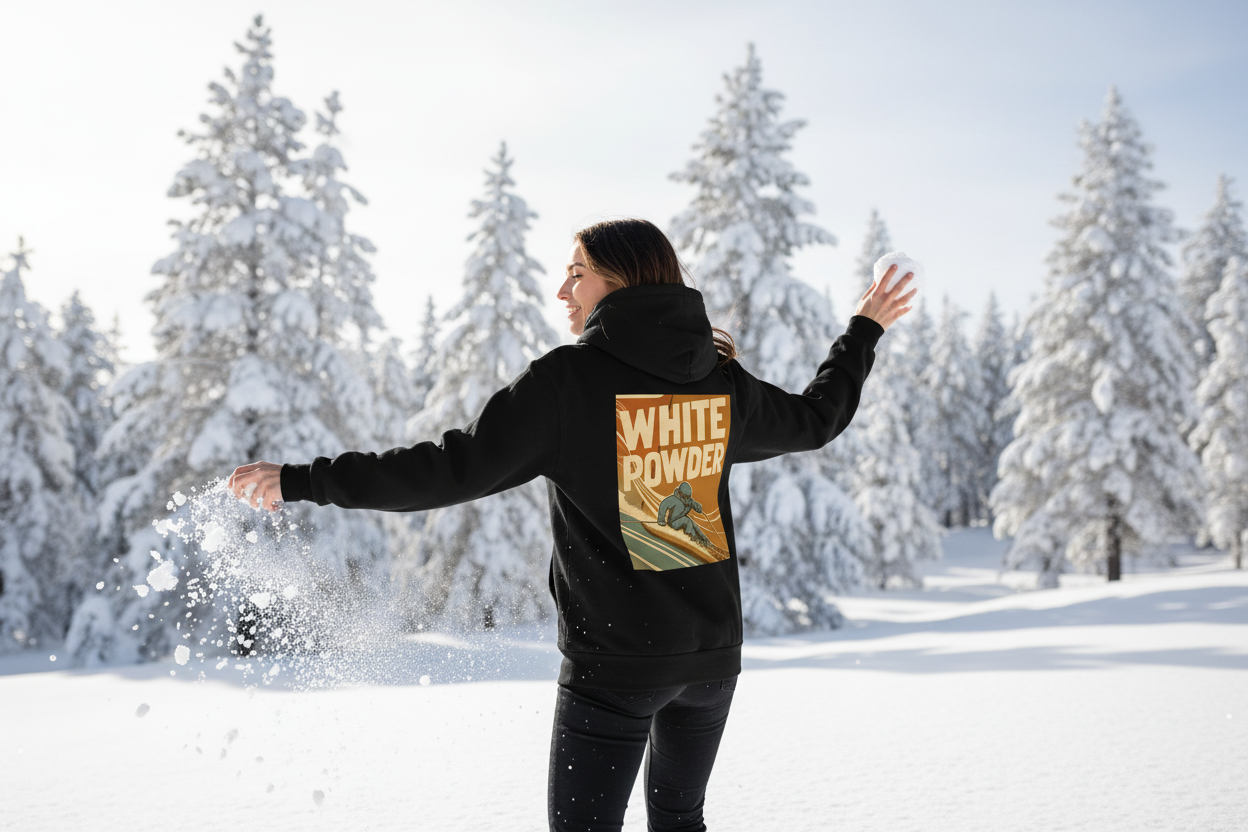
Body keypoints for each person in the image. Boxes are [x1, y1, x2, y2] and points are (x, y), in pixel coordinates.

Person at [228, 218, 914, 831]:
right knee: (681, 824)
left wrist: (302, 480)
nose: (563, 291)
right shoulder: (715, 379)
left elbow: (448, 470)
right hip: (709, 660)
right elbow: (816, 420)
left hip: (617, 666)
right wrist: (863, 330)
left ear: (620, 281)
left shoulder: (568, 382)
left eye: (577, 273)